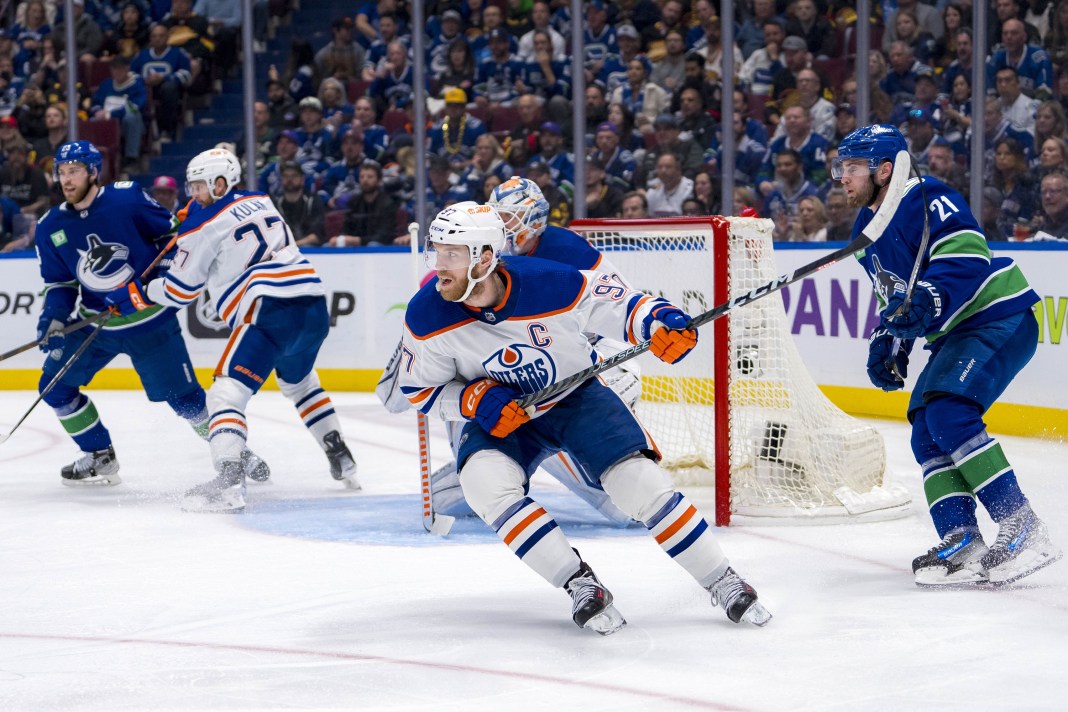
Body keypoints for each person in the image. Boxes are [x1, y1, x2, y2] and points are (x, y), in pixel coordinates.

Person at [397, 200, 772, 633]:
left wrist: (659, 320)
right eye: (436, 251)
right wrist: (474, 401)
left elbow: (624, 306)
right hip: (506, 416)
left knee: (638, 485)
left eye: (452, 254)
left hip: (576, 398)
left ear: (484, 257)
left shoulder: (552, 283)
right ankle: (580, 584)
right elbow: (420, 390)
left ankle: (721, 579)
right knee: (485, 485)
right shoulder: (425, 314)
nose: (439, 265)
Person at [835, 124, 1062, 587]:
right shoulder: (865, 228)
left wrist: (932, 300)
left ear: (884, 170)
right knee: (926, 428)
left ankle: (1024, 528)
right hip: (958, 334)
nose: (843, 176)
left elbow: (967, 253)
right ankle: (963, 539)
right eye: (842, 167)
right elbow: (896, 297)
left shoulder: (925, 195)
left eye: (853, 167)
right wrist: (891, 340)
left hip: (997, 315)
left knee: (949, 412)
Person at [105, 148, 361, 511]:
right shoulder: (260, 199)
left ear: (220, 182)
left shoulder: (201, 225)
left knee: (224, 396)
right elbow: (226, 223)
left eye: (199, 187)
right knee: (301, 383)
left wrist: (139, 292)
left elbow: (180, 291)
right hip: (313, 303)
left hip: (268, 307)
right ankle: (340, 453)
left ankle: (228, 480)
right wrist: (193, 219)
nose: (193, 194)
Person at [377, 179, 640, 527]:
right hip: (515, 374)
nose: (503, 224)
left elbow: (619, 306)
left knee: (620, 500)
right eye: (498, 216)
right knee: (470, 419)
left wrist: (602, 368)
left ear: (535, 219)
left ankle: (612, 484)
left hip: (589, 365)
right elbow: (417, 382)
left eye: (510, 216)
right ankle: (478, 476)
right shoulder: (479, 268)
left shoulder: (566, 251)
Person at [34, 140, 266, 487]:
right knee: (53, 387)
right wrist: (52, 317)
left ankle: (233, 449)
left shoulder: (125, 199)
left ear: (93, 172)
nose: (66, 180)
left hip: (150, 322)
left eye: (74, 171)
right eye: (62, 173)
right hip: (95, 325)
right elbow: (61, 282)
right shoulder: (49, 226)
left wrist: (149, 289)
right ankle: (100, 455)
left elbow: (175, 240)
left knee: (187, 401)